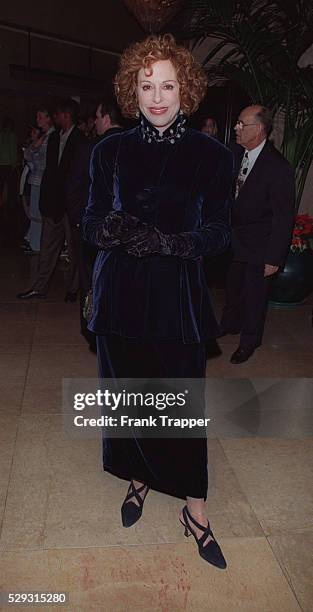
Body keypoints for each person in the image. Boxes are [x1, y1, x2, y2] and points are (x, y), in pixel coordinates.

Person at [83, 34, 233, 569]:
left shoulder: (211, 156)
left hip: (177, 301)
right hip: (120, 297)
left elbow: (220, 232)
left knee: (182, 408)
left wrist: (175, 244)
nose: (157, 96)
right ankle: (139, 478)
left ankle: (196, 510)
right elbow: (90, 219)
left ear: (185, 89)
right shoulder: (110, 150)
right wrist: (109, 230)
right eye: (147, 85)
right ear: (132, 90)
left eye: (167, 85)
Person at [219, 105, 295, 363]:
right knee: (232, 288)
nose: (236, 128)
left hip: (261, 245)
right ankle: (230, 324)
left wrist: (274, 258)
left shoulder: (278, 167)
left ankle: (249, 342)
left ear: (260, 129)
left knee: (254, 297)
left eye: (242, 124)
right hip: (235, 240)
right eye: (237, 123)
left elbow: (284, 217)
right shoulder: (235, 153)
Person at [17, 98, 90, 302]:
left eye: (57, 114)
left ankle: (73, 289)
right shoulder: (55, 138)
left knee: (74, 252)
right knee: (47, 249)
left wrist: (76, 204)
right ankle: (39, 287)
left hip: (71, 207)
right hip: (53, 205)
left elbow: (81, 177)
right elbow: (49, 172)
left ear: (66, 115)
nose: (55, 117)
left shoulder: (80, 140)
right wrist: (44, 201)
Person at [80, 96, 123, 351]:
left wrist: (81, 221)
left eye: (97, 116)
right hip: (125, 232)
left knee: (94, 284)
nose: (94, 122)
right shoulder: (138, 145)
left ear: (106, 118)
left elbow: (80, 187)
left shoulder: (94, 148)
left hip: (98, 231)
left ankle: (96, 334)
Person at [23, 108, 55, 253]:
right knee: (35, 213)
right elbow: (28, 154)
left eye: (40, 117)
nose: (38, 119)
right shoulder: (44, 136)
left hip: (42, 180)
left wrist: (33, 149)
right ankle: (35, 244)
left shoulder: (51, 136)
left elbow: (34, 156)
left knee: (38, 214)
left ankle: (36, 246)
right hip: (37, 180)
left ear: (48, 118)